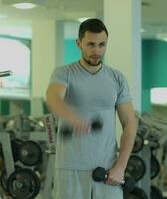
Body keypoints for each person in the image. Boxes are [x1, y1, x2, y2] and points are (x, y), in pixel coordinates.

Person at [46, 18, 137, 199]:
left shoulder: (117, 78)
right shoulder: (64, 73)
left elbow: (130, 123)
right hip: (70, 169)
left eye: (102, 45)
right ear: (79, 43)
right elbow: (53, 98)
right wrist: (73, 119)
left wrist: (121, 166)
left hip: (107, 170)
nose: (97, 51)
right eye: (91, 44)